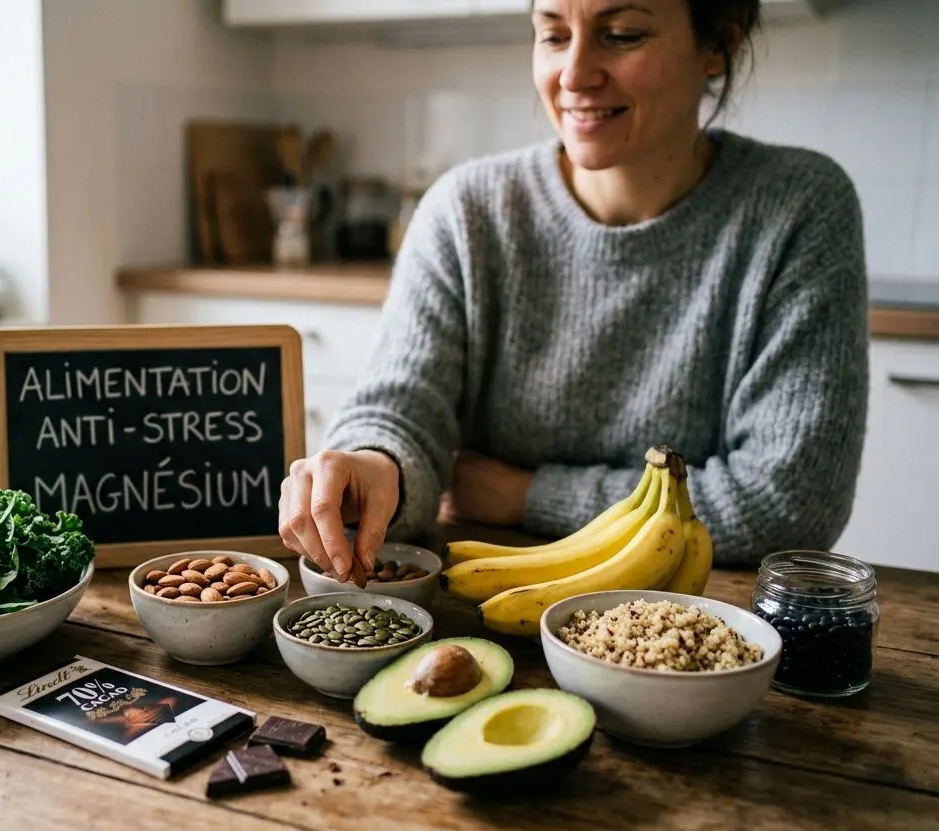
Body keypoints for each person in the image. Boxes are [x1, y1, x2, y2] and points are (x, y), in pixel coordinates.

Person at [277, 0, 869, 583]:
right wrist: (372, 461)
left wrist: (523, 495)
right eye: (554, 36)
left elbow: (787, 501)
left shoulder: (799, 206)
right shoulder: (466, 210)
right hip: (476, 602)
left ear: (719, 43)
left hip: (701, 620)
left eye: (624, 34)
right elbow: (400, 409)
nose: (575, 75)